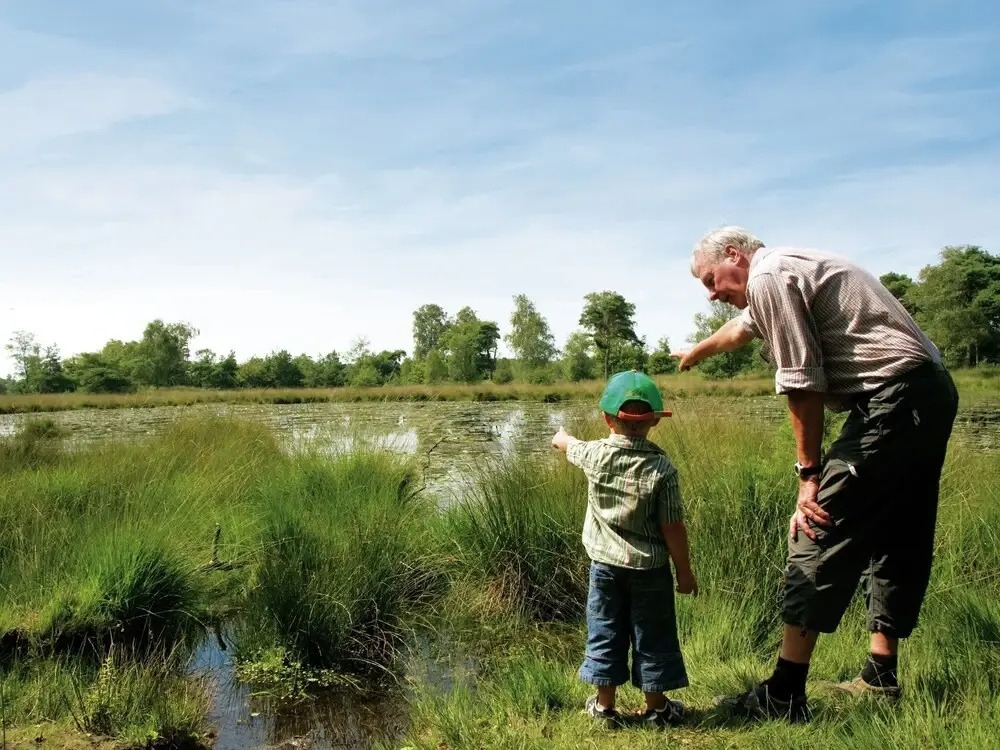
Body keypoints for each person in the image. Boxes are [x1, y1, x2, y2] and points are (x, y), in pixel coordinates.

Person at [678, 226, 959, 723]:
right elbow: (741, 329)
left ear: (733, 255)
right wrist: (698, 350)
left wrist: (809, 473)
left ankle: (784, 694)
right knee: (898, 530)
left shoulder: (769, 276)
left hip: (892, 399)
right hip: (927, 393)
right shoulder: (786, 267)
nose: (711, 293)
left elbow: (802, 382)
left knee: (817, 522)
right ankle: (880, 676)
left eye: (709, 279)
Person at [551, 369, 697, 728]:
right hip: (651, 571)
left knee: (605, 630)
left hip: (604, 569)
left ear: (606, 418)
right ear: (653, 422)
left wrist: (560, 436)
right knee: (653, 635)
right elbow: (672, 527)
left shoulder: (595, 455)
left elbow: (567, 444)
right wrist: (684, 571)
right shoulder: (663, 468)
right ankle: (657, 709)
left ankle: (604, 709)